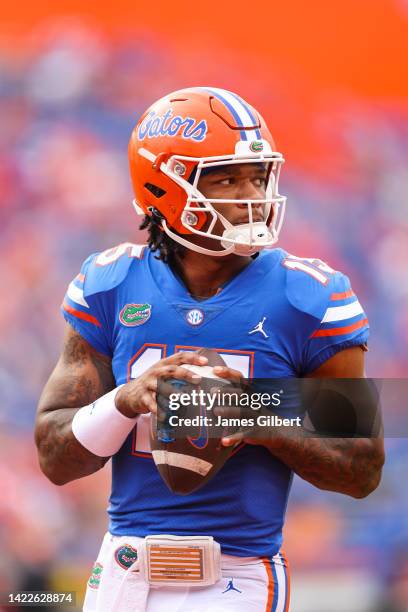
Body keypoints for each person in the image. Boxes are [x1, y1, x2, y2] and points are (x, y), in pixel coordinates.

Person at [35, 87, 384, 612]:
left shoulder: (310, 294)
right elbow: (54, 457)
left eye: (258, 175)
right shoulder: (108, 282)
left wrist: (255, 412)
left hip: (236, 577)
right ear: (164, 186)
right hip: (122, 573)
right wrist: (127, 400)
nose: (253, 194)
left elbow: (363, 468)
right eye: (226, 178)